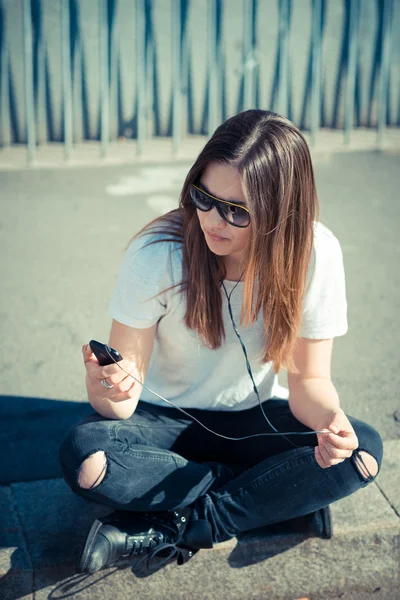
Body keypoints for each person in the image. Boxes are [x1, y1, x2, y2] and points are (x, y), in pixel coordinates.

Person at [59, 109, 383, 575]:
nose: (213, 219)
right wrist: (107, 387)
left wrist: (332, 424)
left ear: (280, 213)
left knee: (363, 452)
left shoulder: (314, 255)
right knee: (86, 459)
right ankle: (259, 494)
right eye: (204, 197)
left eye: (237, 210)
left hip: (259, 420)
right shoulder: (158, 254)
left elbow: (310, 380)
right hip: (163, 423)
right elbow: (122, 407)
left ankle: (184, 525)